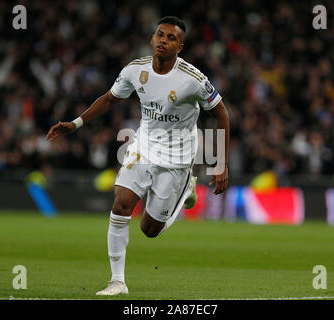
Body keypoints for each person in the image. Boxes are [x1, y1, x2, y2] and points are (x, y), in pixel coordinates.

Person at [46, 16, 230, 296]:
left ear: (180, 46)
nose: (163, 41)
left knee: (150, 229)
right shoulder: (135, 70)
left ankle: (186, 187)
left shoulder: (193, 80)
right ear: (152, 39)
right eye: (160, 35)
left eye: (171, 38)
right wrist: (76, 123)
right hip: (143, 146)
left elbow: (221, 113)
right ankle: (117, 281)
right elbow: (110, 98)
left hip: (178, 158)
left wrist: (220, 162)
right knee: (121, 203)